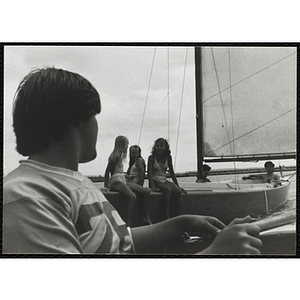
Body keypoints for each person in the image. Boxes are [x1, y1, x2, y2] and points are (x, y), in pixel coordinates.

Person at [3, 67, 262, 255]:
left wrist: (181, 223)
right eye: (95, 115)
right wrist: (215, 255)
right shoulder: (26, 197)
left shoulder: (75, 183)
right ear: (75, 121)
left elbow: (117, 243)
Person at [147, 138, 187, 219]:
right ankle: (166, 216)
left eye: (161, 146)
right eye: (157, 146)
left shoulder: (168, 157)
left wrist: (177, 186)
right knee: (167, 190)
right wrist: (153, 186)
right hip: (155, 180)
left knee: (177, 191)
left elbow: (172, 173)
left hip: (164, 179)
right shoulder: (151, 157)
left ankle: (178, 215)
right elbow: (149, 173)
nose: (159, 147)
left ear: (165, 147)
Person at [104, 135, 137, 227]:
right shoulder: (115, 156)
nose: (127, 146)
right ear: (122, 144)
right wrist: (106, 187)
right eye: (127, 144)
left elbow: (118, 172)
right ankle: (128, 222)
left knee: (143, 191)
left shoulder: (121, 156)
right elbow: (107, 173)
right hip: (115, 181)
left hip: (121, 179)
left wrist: (127, 177)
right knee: (132, 197)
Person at [126, 145, 152, 225]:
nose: (134, 154)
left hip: (135, 184)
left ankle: (145, 217)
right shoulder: (132, 163)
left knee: (144, 193)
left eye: (135, 153)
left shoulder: (139, 161)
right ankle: (130, 221)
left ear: (139, 153)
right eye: (132, 153)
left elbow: (142, 174)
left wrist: (140, 186)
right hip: (131, 183)